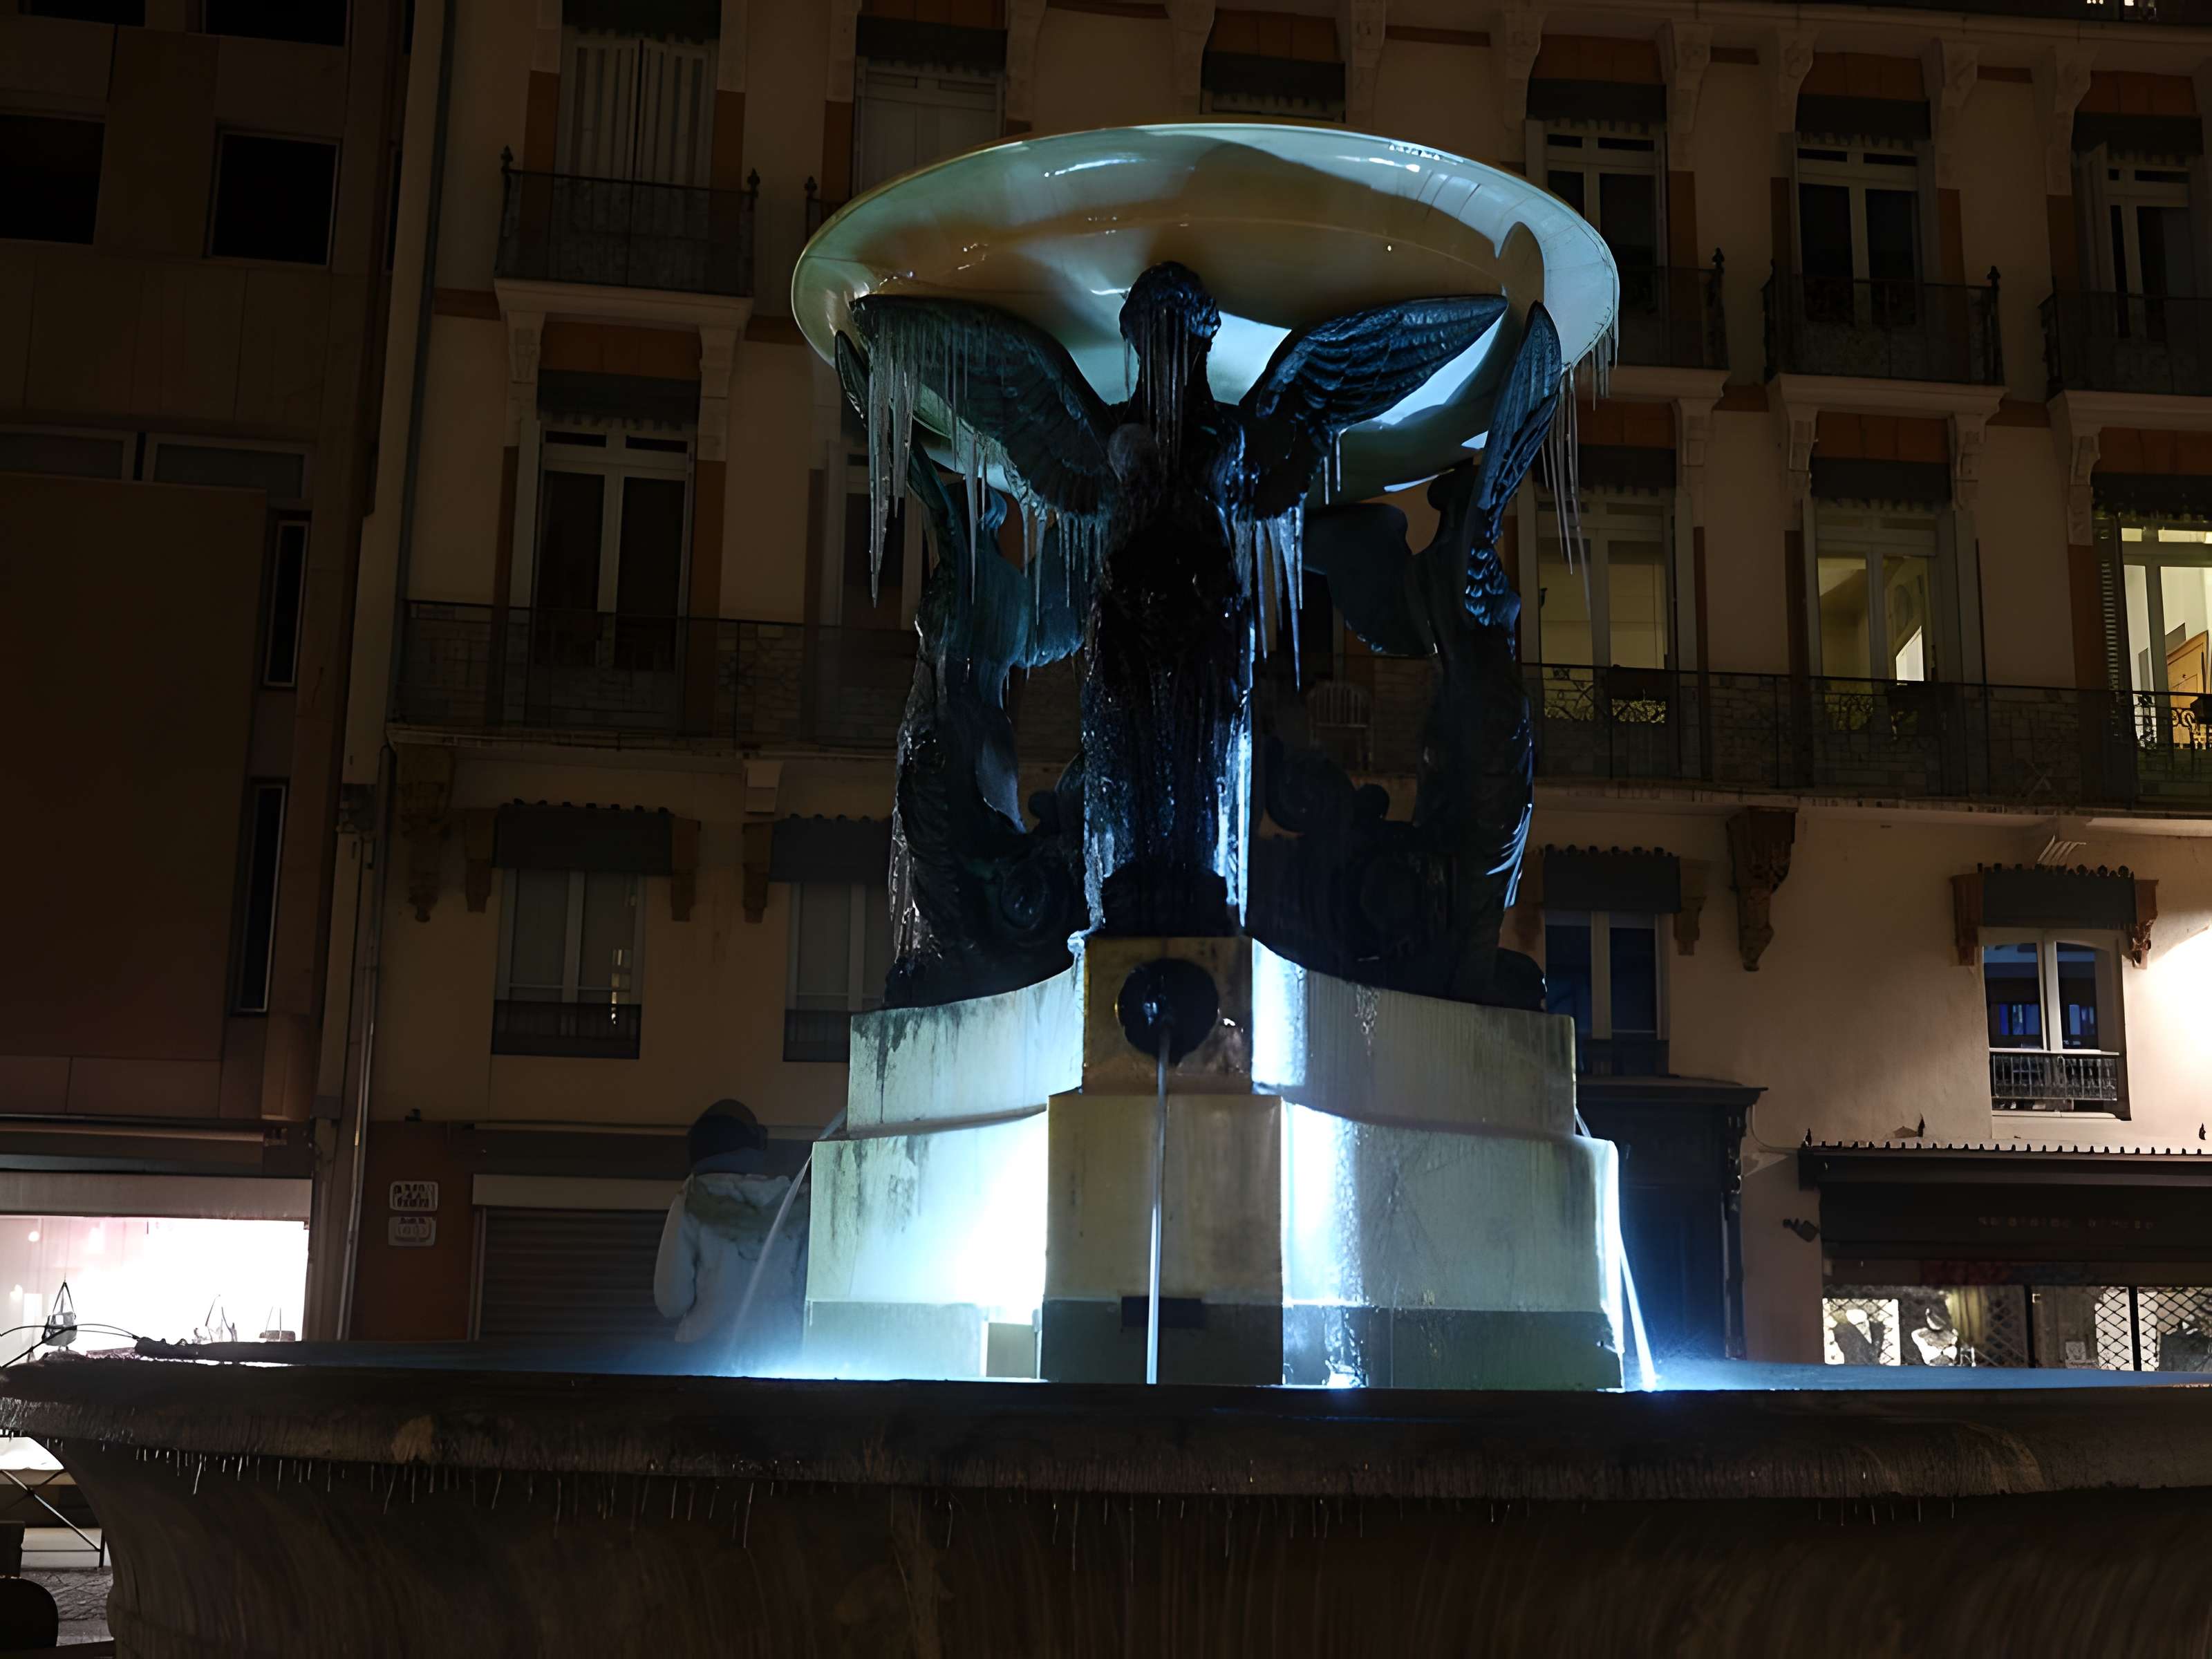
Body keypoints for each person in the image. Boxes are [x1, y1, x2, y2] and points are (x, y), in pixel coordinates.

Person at [653, 1100, 808, 1374]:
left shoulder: (691, 1202)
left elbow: (671, 1301)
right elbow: (806, 1295)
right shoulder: (795, 1204)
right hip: (783, 1360)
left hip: (705, 1361)